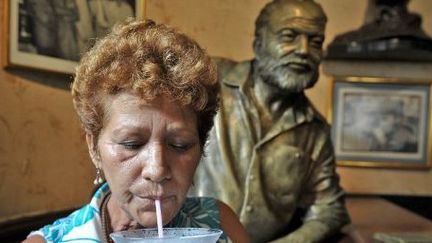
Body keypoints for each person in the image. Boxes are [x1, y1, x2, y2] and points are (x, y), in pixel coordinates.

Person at [23, 19, 249, 243]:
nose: (157, 170)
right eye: (132, 144)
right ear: (94, 148)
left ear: (200, 148)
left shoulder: (219, 223)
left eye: (180, 144)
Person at [193, 0, 350, 242]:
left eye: (316, 42)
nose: (304, 50)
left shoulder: (314, 130)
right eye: (289, 36)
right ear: (258, 43)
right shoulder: (207, 81)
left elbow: (329, 209)